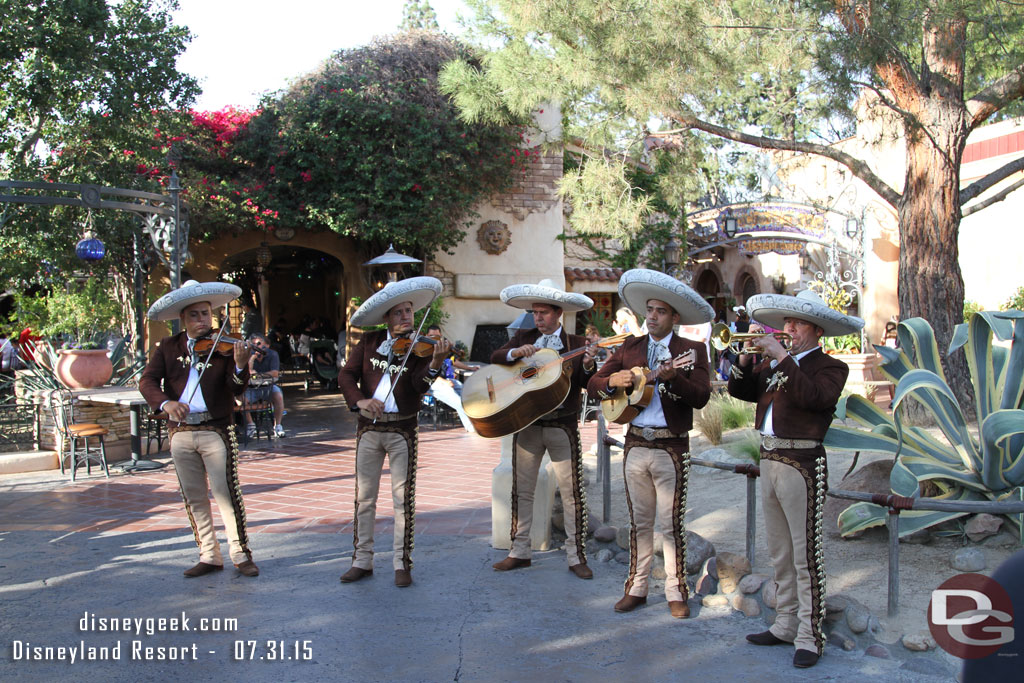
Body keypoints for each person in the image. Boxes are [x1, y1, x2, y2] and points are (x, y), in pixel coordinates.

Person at [728, 289, 864, 669]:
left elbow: (813, 399)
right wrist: (745, 353)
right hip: (769, 457)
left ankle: (809, 634)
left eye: (797, 322)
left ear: (816, 330)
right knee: (780, 552)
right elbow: (740, 390)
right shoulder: (773, 364)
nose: (788, 328)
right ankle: (785, 623)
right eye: (786, 322)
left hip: (802, 462)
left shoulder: (831, 367)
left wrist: (781, 356)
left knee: (806, 555)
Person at [588, 269, 713, 618]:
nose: (653, 316)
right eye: (650, 310)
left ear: (674, 317)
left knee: (670, 524)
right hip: (635, 444)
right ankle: (638, 587)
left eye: (660, 311)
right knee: (640, 522)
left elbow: (701, 396)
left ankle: (676, 590)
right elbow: (593, 384)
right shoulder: (630, 346)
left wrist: (673, 381)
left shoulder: (691, 350)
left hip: (671, 446)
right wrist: (613, 380)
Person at [139, 280, 259, 578]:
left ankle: (240, 553)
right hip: (180, 431)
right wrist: (166, 404)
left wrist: (242, 366)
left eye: (206, 314)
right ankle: (209, 553)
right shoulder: (168, 347)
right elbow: (147, 382)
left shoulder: (226, 345)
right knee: (193, 495)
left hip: (215, 428)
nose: (203, 320)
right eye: (195, 315)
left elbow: (235, 388)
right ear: (184, 318)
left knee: (225, 492)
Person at [337, 277, 449, 588]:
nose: (405, 317)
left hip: (403, 429)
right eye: (398, 312)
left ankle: (402, 562)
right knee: (364, 498)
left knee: (402, 499)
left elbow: (418, 386)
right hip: (369, 429)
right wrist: (359, 400)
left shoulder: (420, 348)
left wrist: (435, 363)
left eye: (409, 311)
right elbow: (345, 375)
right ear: (386, 317)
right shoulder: (370, 343)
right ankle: (362, 560)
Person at [489, 278, 597, 580]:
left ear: (558, 313)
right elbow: (496, 358)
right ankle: (519, 551)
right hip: (528, 425)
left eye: (544, 313)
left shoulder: (576, 344)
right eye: (535, 312)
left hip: (562, 426)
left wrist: (588, 365)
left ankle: (577, 556)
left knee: (572, 493)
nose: (538, 318)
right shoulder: (524, 335)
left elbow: (588, 384)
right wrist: (515, 353)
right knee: (522, 490)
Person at [423, 325, 476, 432]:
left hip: (444, 381)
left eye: (437, 336)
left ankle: (479, 422)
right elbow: (424, 374)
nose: (434, 339)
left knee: (466, 393)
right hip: (430, 383)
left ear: (441, 336)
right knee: (457, 401)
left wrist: (469, 368)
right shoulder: (423, 351)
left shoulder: (440, 348)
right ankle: (471, 427)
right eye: (431, 336)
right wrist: (444, 382)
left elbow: (453, 361)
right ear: (426, 336)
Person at [243, 333, 286, 438]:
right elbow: (246, 372)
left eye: (258, 343)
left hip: (268, 386)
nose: (256, 346)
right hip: (251, 388)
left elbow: (275, 373)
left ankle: (278, 426)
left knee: (278, 396)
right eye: (253, 344)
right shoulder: (248, 354)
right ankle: (250, 424)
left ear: (266, 345)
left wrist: (257, 374)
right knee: (240, 398)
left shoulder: (272, 354)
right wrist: (252, 359)